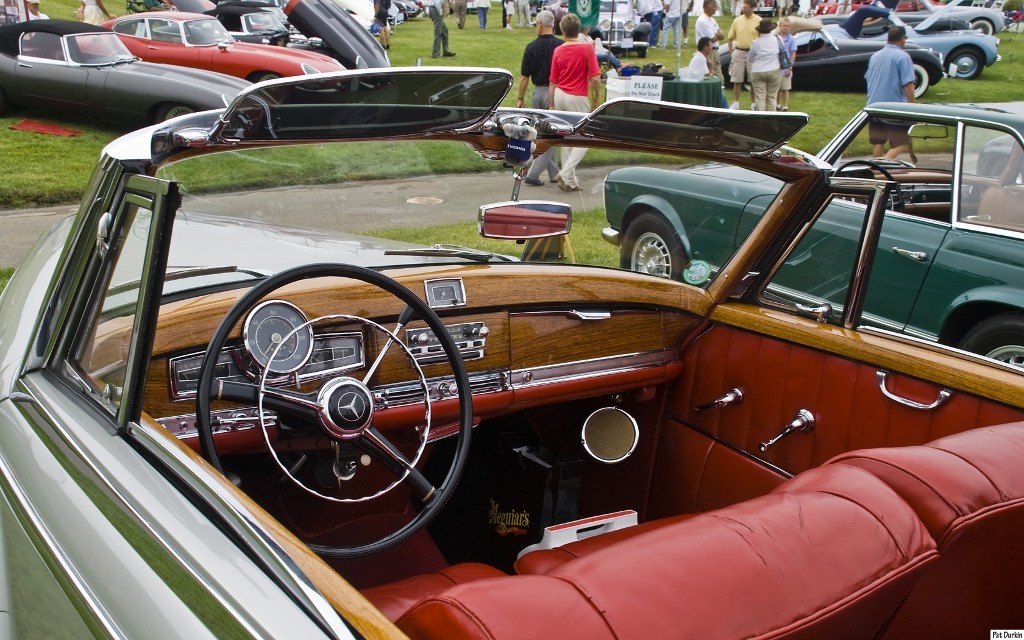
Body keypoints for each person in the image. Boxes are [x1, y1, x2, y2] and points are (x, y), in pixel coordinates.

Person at [549, 13, 600, 192]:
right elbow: (595, 78)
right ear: (578, 30)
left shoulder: (558, 50)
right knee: (585, 137)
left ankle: (570, 181)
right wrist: (596, 98)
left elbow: (553, 81)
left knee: (566, 137)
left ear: (562, 31)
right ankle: (566, 173)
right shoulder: (587, 49)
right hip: (577, 95)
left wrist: (551, 103)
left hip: (559, 93)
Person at [516, 10, 563, 186]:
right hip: (556, 92)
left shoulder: (531, 47)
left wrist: (520, 97)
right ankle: (538, 173)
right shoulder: (561, 46)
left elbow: (524, 76)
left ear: (540, 24)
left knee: (544, 133)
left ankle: (552, 173)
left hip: (538, 92)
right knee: (551, 134)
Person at [865, 26, 916, 159]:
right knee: (902, 144)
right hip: (894, 109)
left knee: (878, 143)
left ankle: (876, 171)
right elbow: (908, 85)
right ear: (902, 39)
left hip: (874, 107)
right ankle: (884, 164)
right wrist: (913, 108)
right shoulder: (903, 57)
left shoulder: (875, 56)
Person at [726, 0, 759, 109]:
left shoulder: (759, 20)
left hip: (752, 52)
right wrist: (732, 52)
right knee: (737, 79)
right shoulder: (737, 20)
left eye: (746, 7)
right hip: (739, 51)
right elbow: (730, 37)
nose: (743, 9)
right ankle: (736, 102)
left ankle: (754, 103)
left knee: (753, 80)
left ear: (751, 8)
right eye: (743, 7)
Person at [695, 0, 727, 107]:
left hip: (716, 50)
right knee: (710, 74)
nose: (716, 8)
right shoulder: (702, 21)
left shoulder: (712, 20)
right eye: (714, 6)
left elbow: (722, 36)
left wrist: (717, 35)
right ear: (707, 7)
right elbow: (712, 39)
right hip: (709, 51)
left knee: (719, 75)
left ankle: (720, 98)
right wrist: (717, 35)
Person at [748, 18, 782, 111]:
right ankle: (771, 120)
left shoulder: (756, 42)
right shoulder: (777, 40)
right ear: (771, 29)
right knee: (771, 97)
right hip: (773, 69)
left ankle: (761, 120)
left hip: (758, 70)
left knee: (760, 97)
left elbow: (750, 58)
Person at [776, 16, 796, 110]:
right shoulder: (775, 37)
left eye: (788, 26)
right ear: (780, 26)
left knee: (785, 88)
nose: (785, 27)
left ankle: (785, 106)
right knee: (777, 88)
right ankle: (777, 104)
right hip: (776, 66)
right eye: (784, 25)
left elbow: (793, 53)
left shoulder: (791, 39)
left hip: (786, 66)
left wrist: (790, 67)